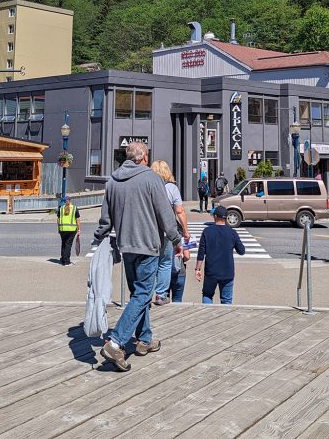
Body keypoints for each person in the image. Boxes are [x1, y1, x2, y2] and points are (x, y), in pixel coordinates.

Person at [94, 141, 184, 372]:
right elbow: (166, 214)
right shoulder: (151, 178)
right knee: (143, 295)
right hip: (148, 246)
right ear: (142, 157)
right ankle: (116, 342)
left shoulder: (113, 180)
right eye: (147, 155)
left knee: (137, 294)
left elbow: (106, 218)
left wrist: (99, 236)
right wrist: (176, 240)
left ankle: (144, 339)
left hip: (127, 246)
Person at [150, 160, 190, 305]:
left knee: (150, 261)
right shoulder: (171, 188)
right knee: (165, 262)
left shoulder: (148, 185)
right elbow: (180, 211)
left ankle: (147, 294)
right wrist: (185, 231)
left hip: (149, 230)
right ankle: (161, 295)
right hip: (166, 231)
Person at [196, 205, 245, 304]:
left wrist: (197, 269)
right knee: (226, 299)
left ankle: (206, 315)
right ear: (226, 217)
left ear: (215, 216)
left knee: (207, 294)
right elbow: (241, 251)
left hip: (211, 271)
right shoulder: (232, 233)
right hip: (227, 271)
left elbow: (201, 253)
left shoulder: (207, 231)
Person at [57, 195, 80, 266]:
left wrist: (58, 228)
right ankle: (66, 261)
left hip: (62, 229)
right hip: (71, 230)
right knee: (68, 245)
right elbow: (77, 220)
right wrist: (79, 229)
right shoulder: (74, 208)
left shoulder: (60, 209)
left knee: (63, 244)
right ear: (70, 200)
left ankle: (62, 259)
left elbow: (58, 220)